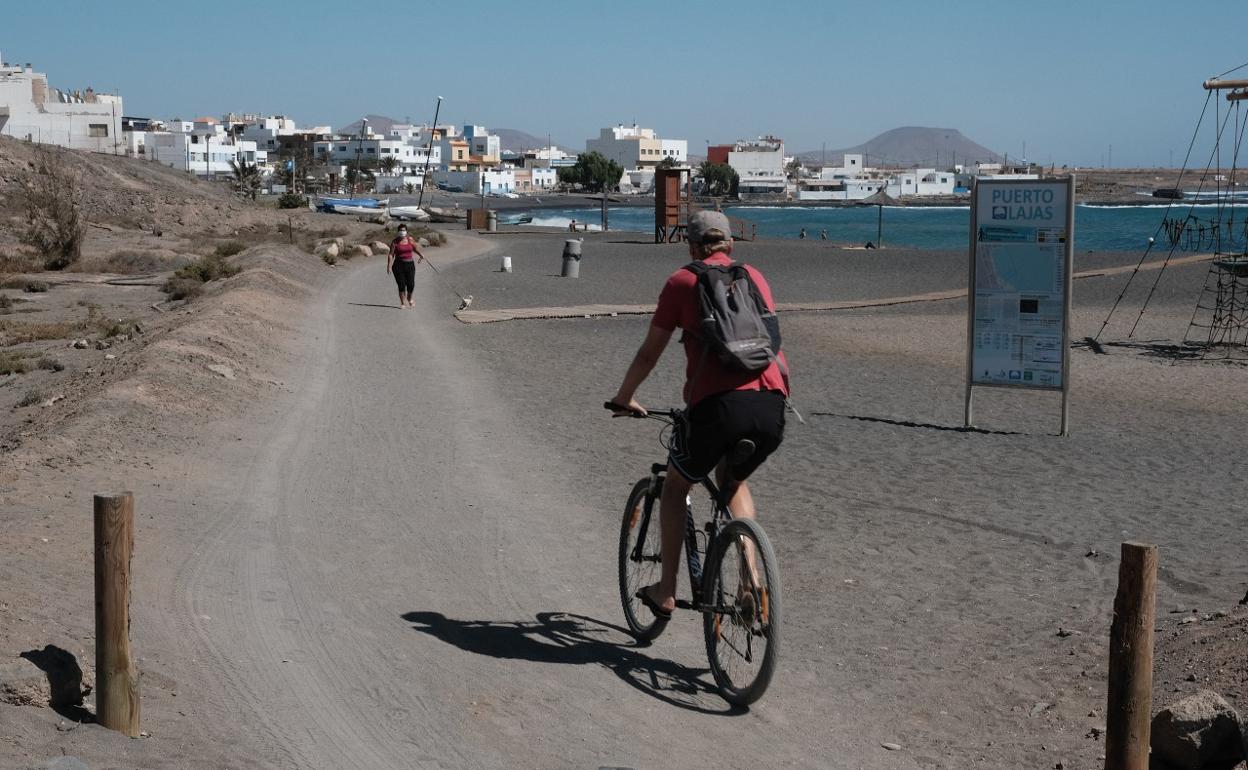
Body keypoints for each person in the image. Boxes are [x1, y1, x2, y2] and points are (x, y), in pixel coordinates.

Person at [609, 210, 789, 619]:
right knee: (733, 478)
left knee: (675, 488)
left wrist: (624, 397)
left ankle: (666, 590)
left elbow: (649, 353)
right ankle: (751, 578)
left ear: (690, 245)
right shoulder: (754, 277)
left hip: (717, 408)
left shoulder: (682, 281)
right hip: (771, 405)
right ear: (730, 244)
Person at [387, 225, 425, 308]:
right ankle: (403, 303)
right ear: (398, 231)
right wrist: (389, 266)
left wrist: (421, 255)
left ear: (406, 231)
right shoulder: (395, 242)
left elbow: (415, 248)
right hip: (398, 265)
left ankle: (409, 298)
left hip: (410, 265)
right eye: (400, 230)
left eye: (404, 230)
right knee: (401, 285)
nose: (402, 232)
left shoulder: (410, 239)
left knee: (411, 284)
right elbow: (391, 254)